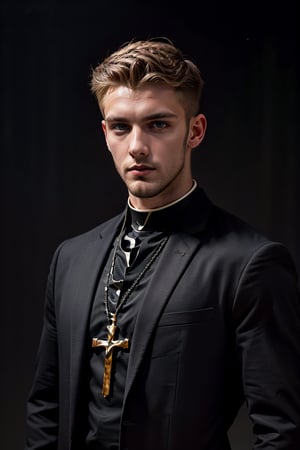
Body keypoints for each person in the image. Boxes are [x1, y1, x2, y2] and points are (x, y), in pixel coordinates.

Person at [24, 38, 300, 450]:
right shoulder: (71, 258)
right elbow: (46, 408)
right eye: (121, 126)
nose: (136, 146)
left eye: (158, 124)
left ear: (195, 131)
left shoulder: (248, 263)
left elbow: (283, 433)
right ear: (105, 133)